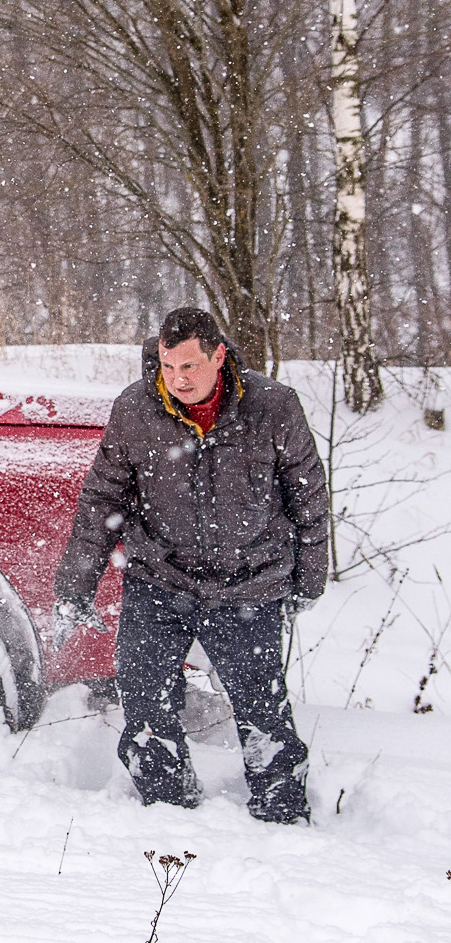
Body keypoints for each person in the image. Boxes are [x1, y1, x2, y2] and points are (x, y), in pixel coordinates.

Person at [54, 307, 328, 823]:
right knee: (144, 704)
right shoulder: (135, 410)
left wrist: (309, 578)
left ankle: (283, 818)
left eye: (189, 367)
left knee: (261, 713)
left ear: (218, 357)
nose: (176, 379)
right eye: (166, 366)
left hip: (249, 585)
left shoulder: (272, 407)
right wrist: (75, 587)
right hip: (160, 579)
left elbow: (307, 496)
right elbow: (101, 500)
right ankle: (167, 810)